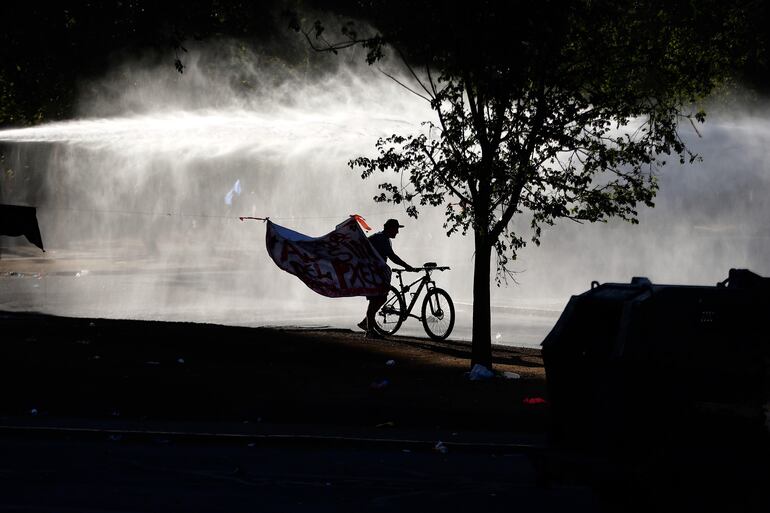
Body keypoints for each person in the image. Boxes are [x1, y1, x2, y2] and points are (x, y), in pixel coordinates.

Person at [358, 219, 415, 339]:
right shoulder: (381, 239)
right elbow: (392, 256)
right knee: (375, 300)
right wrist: (407, 266)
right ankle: (369, 331)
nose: (398, 232)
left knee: (381, 297)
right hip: (371, 273)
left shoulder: (382, 237)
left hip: (374, 272)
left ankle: (366, 322)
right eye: (396, 229)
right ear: (390, 228)